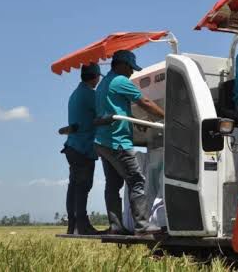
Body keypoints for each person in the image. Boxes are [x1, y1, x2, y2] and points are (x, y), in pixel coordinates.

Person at [94, 50, 165, 235]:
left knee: (112, 185)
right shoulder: (120, 81)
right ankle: (142, 225)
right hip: (118, 142)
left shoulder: (104, 83)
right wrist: (168, 117)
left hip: (103, 141)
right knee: (137, 181)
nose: (132, 73)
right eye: (131, 68)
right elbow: (146, 101)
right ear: (122, 65)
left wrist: (133, 121)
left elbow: (114, 107)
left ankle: (116, 226)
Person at [62, 63, 102, 235]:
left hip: (72, 146)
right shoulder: (90, 94)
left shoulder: (75, 94)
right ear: (96, 77)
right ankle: (82, 225)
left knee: (74, 187)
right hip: (83, 148)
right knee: (83, 187)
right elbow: (103, 113)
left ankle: (73, 225)